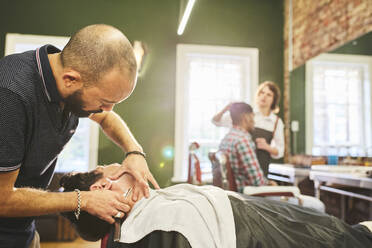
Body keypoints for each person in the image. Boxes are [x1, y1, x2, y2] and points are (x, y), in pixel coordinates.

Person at [0, 24, 159, 248]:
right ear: (70, 80)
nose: (108, 110)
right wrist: (84, 199)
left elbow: (105, 118)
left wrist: (134, 152)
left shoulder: (63, 77)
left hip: (23, 230)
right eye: (104, 102)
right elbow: (2, 199)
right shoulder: (10, 96)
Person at [59, 164, 372, 248]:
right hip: (253, 228)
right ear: (102, 186)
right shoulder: (155, 226)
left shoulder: (146, 207)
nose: (117, 163)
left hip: (248, 212)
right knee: (349, 238)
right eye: (104, 165)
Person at [212, 81, 284, 176]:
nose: (264, 96)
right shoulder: (245, 114)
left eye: (269, 95)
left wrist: (267, 147)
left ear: (273, 100)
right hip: (241, 170)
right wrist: (225, 109)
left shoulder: (276, 122)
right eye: (262, 93)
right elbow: (216, 121)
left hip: (261, 170)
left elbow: (280, 151)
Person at [219, 102, 276, 192]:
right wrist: (270, 184)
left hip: (231, 197)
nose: (254, 121)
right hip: (247, 199)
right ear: (246, 117)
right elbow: (258, 182)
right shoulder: (243, 141)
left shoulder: (225, 139)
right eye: (253, 117)